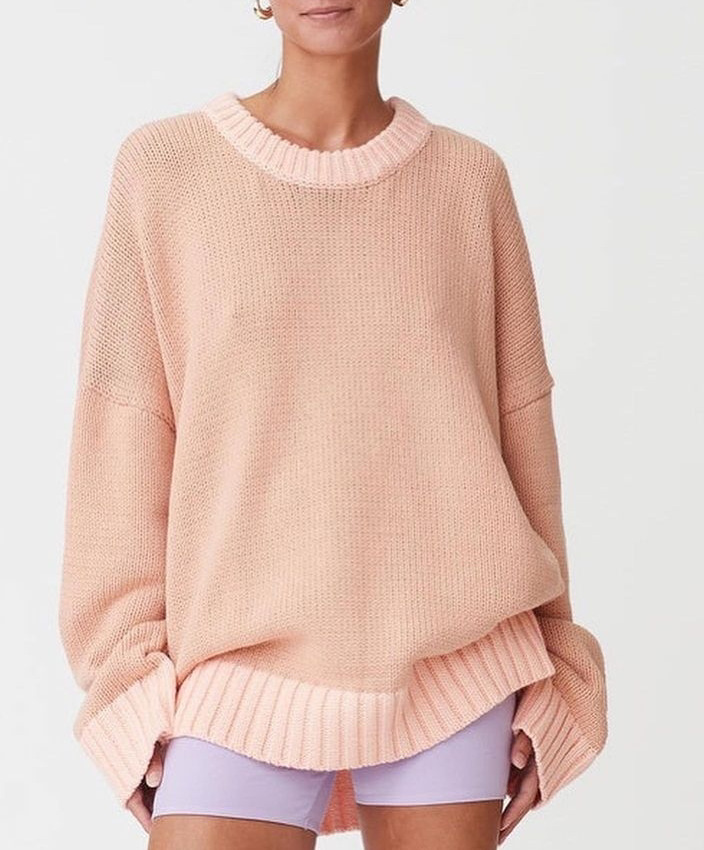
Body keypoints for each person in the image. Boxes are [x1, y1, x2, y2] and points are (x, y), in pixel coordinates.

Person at [57, 2, 608, 848]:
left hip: (456, 660)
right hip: (236, 665)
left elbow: (521, 433)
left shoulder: (470, 182)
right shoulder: (167, 170)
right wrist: (126, 682)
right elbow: (124, 436)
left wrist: (560, 665)